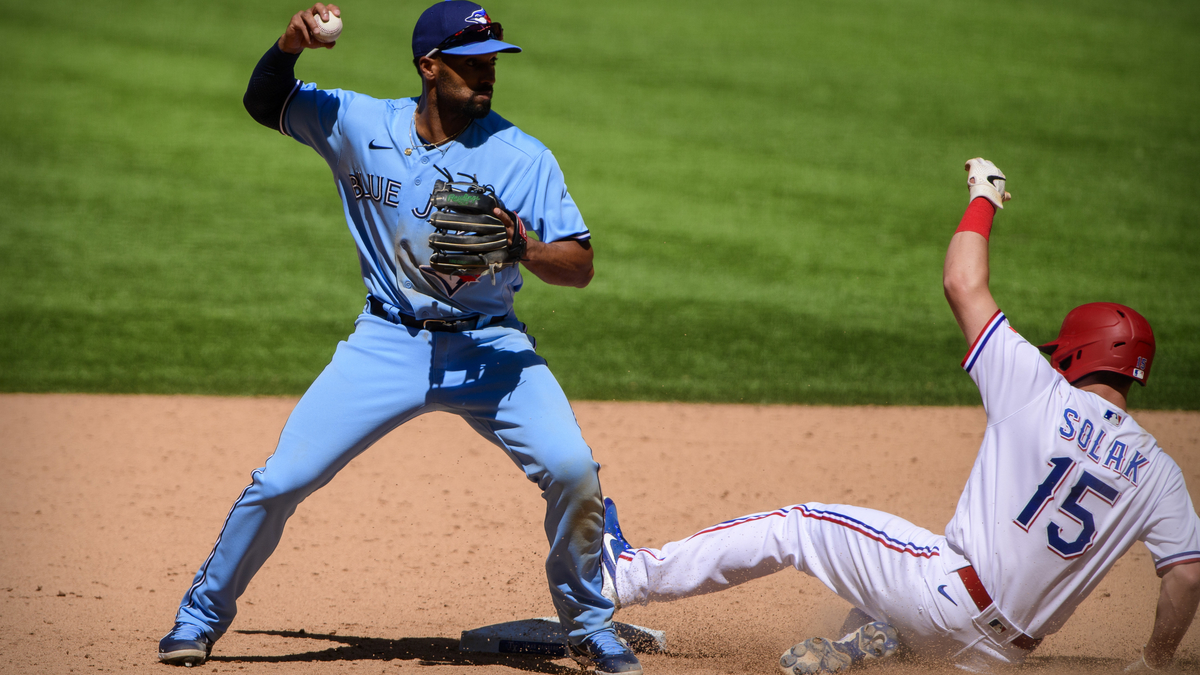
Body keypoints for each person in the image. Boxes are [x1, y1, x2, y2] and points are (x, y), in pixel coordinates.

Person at [157, 3, 641, 673]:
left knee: (573, 470)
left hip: (489, 347)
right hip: (387, 342)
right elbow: (265, 101)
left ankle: (588, 625)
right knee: (280, 480)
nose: (487, 76)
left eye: (493, 63)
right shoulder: (358, 123)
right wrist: (289, 46)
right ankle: (200, 617)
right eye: (472, 64)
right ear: (429, 66)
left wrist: (525, 248)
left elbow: (580, 265)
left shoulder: (524, 157)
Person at [598, 159, 1200, 673]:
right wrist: (1153, 661)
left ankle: (625, 576)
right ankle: (877, 644)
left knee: (801, 526)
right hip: (997, 658)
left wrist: (984, 195)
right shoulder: (1161, 474)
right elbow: (1187, 577)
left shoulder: (1039, 388)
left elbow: (962, 282)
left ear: (1072, 352)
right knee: (896, 569)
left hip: (943, 597)